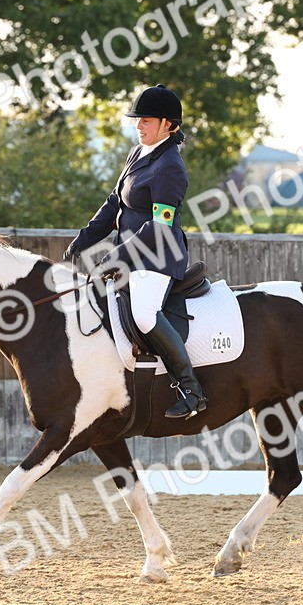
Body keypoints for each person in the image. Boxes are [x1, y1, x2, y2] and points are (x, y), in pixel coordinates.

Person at [63, 84, 207, 418]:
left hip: (158, 256)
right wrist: (83, 239)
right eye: (137, 119)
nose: (139, 125)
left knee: (144, 313)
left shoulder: (170, 166)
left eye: (146, 120)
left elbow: (160, 226)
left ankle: (191, 389)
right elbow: (115, 202)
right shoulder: (139, 152)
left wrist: (115, 258)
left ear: (168, 125)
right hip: (131, 256)